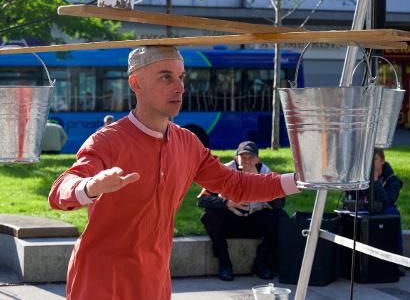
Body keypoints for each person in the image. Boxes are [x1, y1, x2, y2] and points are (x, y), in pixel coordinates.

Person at [48, 46, 300, 300]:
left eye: (181, 77)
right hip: (102, 278)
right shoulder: (107, 141)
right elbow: (60, 191)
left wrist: (300, 180)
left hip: (155, 277)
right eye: (166, 77)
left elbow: (235, 185)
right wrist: (91, 186)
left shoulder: (188, 143)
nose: (179, 87)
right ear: (136, 83)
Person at [197, 141, 287, 281]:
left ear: (257, 159)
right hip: (230, 221)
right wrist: (227, 203)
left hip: (254, 221)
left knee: (280, 217)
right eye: (242, 157)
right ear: (235, 158)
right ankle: (225, 264)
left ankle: (261, 264)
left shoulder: (266, 173)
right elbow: (202, 200)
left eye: (250, 157)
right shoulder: (224, 171)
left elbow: (280, 204)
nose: (246, 161)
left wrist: (260, 181)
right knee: (209, 216)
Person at [344, 148, 404, 256]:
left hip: (384, 211)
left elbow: (387, 202)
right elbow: (351, 198)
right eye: (369, 160)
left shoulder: (392, 180)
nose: (372, 164)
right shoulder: (363, 177)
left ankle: (398, 255)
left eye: (375, 159)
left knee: (395, 213)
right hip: (365, 211)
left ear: (382, 161)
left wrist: (376, 181)